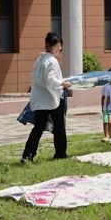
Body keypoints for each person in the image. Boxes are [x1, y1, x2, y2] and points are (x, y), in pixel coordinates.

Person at [21, 32, 72, 163]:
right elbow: (50, 80)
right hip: (53, 98)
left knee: (38, 128)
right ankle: (60, 154)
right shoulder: (52, 61)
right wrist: (63, 83)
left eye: (60, 46)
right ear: (49, 45)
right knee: (59, 127)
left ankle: (27, 155)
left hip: (40, 99)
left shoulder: (40, 59)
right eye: (57, 46)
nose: (59, 48)